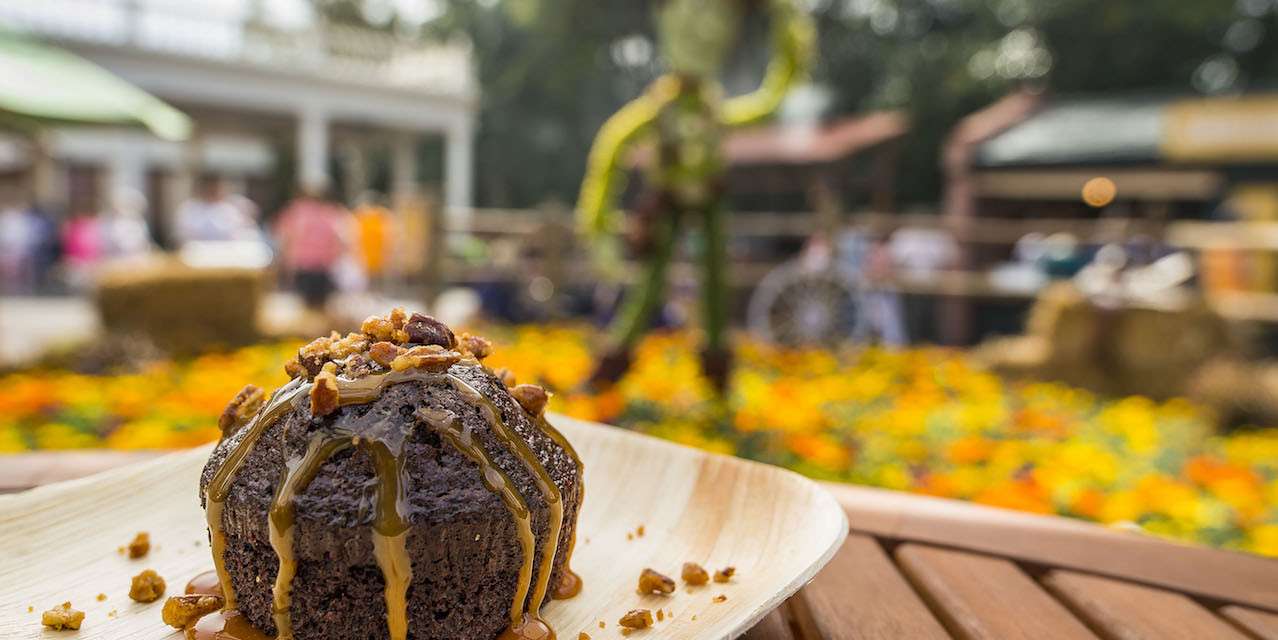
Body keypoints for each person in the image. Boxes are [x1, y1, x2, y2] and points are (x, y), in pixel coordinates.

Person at [274, 183, 351, 310]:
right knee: (322, 306)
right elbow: (340, 240)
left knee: (305, 306)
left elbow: (285, 238)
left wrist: (286, 263)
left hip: (304, 264)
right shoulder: (331, 213)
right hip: (323, 265)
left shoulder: (296, 211)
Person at [173, 175, 257, 246]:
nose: (212, 190)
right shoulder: (189, 208)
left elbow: (238, 234)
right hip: (196, 254)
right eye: (209, 187)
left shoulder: (229, 209)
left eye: (214, 187)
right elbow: (183, 235)